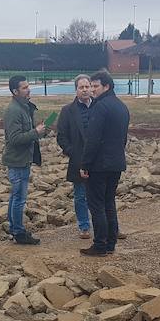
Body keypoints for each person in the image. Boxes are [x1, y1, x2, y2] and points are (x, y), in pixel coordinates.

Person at [79, 70, 130, 256]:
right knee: (109, 202)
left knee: (97, 205)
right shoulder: (121, 106)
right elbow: (123, 138)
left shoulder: (100, 107)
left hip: (99, 165)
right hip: (116, 162)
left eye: (95, 86)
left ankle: (100, 244)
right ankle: (110, 243)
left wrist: (85, 164)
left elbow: (93, 139)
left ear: (106, 86)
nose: (92, 90)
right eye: (91, 86)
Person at [2, 75, 50, 245]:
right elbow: (14, 139)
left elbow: (26, 133)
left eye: (28, 86)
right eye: (24, 87)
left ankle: (15, 228)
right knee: (19, 198)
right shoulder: (14, 111)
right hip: (17, 161)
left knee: (16, 196)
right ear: (15, 91)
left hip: (22, 160)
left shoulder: (23, 108)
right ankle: (18, 233)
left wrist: (40, 131)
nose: (28, 89)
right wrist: (35, 132)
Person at [56, 74, 92, 239]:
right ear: (76, 90)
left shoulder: (99, 106)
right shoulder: (67, 111)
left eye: (87, 86)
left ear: (91, 87)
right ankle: (84, 226)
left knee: (103, 195)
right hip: (78, 160)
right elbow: (61, 136)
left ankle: (108, 225)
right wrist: (73, 152)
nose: (84, 90)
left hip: (99, 160)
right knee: (80, 195)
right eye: (81, 87)